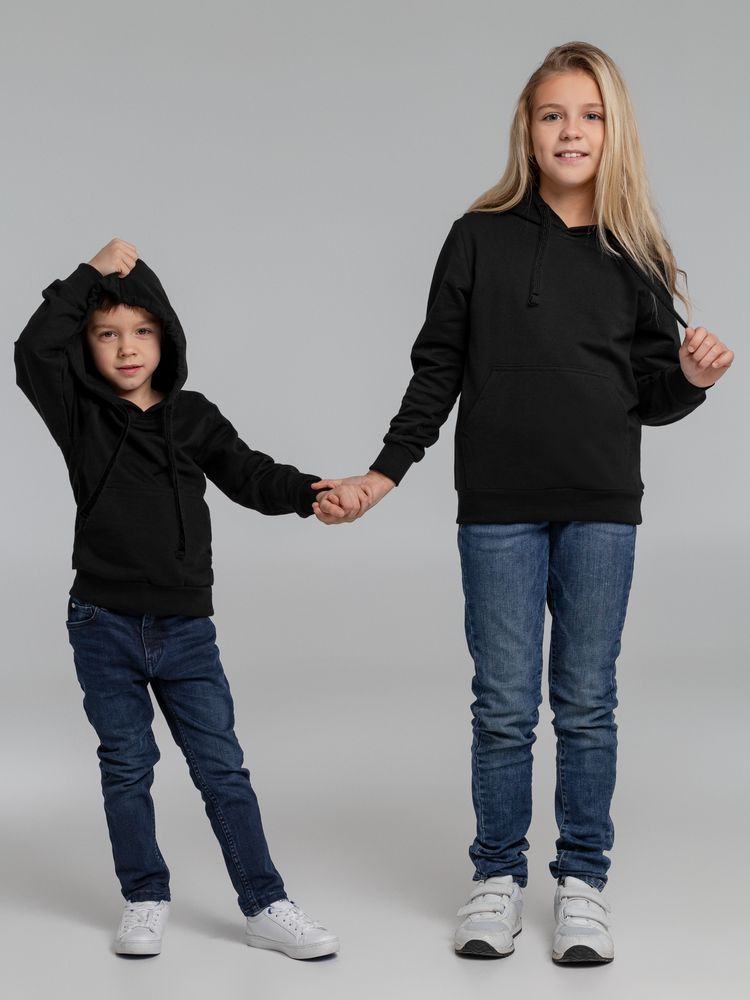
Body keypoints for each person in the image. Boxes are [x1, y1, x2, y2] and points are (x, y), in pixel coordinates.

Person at [312, 41, 734, 965]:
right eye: (553, 114)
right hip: (498, 507)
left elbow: (650, 394)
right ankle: (496, 879)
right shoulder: (477, 238)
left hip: (601, 508)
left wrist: (694, 381)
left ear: (612, 131)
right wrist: (384, 473)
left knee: (586, 702)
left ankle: (582, 883)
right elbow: (437, 370)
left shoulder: (637, 252)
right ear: (527, 130)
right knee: (503, 704)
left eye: (589, 115)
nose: (570, 131)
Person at [14, 238, 366, 959]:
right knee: (126, 766)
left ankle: (265, 904)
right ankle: (144, 897)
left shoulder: (194, 416)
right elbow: (30, 350)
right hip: (102, 624)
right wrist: (90, 274)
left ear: (166, 336)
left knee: (222, 769)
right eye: (107, 334)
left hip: (184, 630)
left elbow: (250, 474)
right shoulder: (79, 414)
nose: (127, 348)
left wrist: (310, 494)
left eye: (142, 331)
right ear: (86, 345)